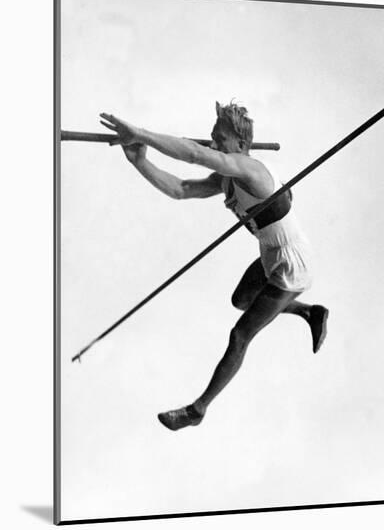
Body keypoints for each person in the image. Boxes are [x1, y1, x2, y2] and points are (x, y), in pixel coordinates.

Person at [99, 102, 329, 431]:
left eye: (219, 138)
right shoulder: (226, 178)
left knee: (240, 335)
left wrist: (141, 133)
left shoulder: (252, 170)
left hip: (292, 262)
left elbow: (195, 154)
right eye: (212, 136)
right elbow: (181, 189)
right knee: (242, 301)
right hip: (269, 252)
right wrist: (140, 161)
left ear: (240, 144)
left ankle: (198, 409)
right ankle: (310, 312)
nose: (213, 143)